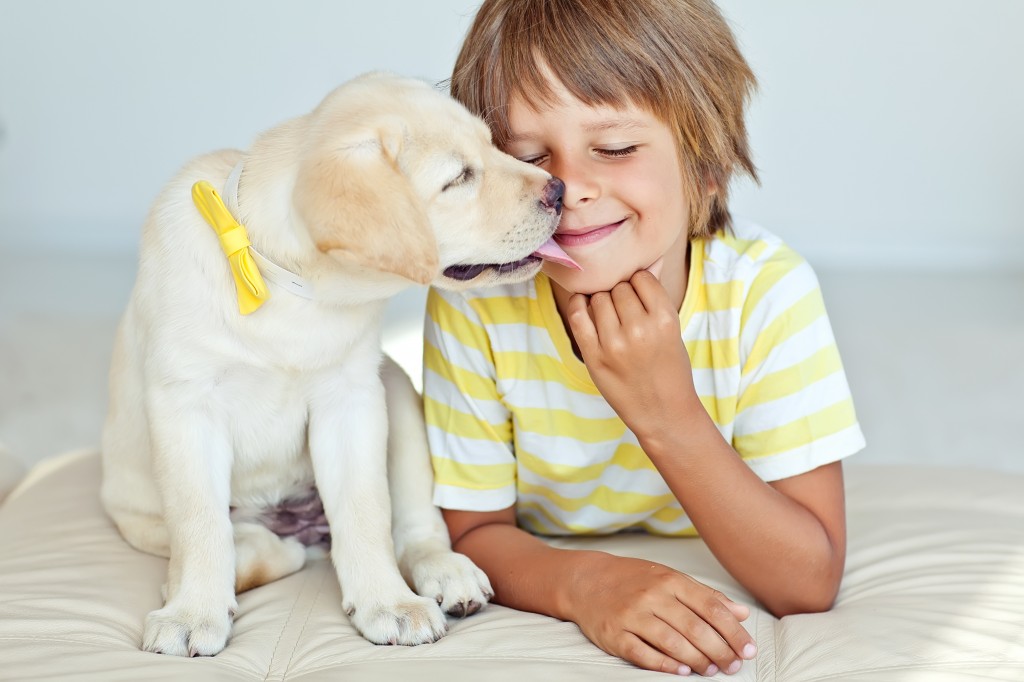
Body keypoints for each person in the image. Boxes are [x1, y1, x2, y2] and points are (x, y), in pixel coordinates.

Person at [423, 0, 865, 676]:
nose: (568, 188)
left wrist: (665, 413)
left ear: (705, 166)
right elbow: (475, 535)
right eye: (529, 156)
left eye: (617, 148)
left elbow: (807, 581)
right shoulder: (476, 301)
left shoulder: (766, 291)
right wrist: (587, 584)